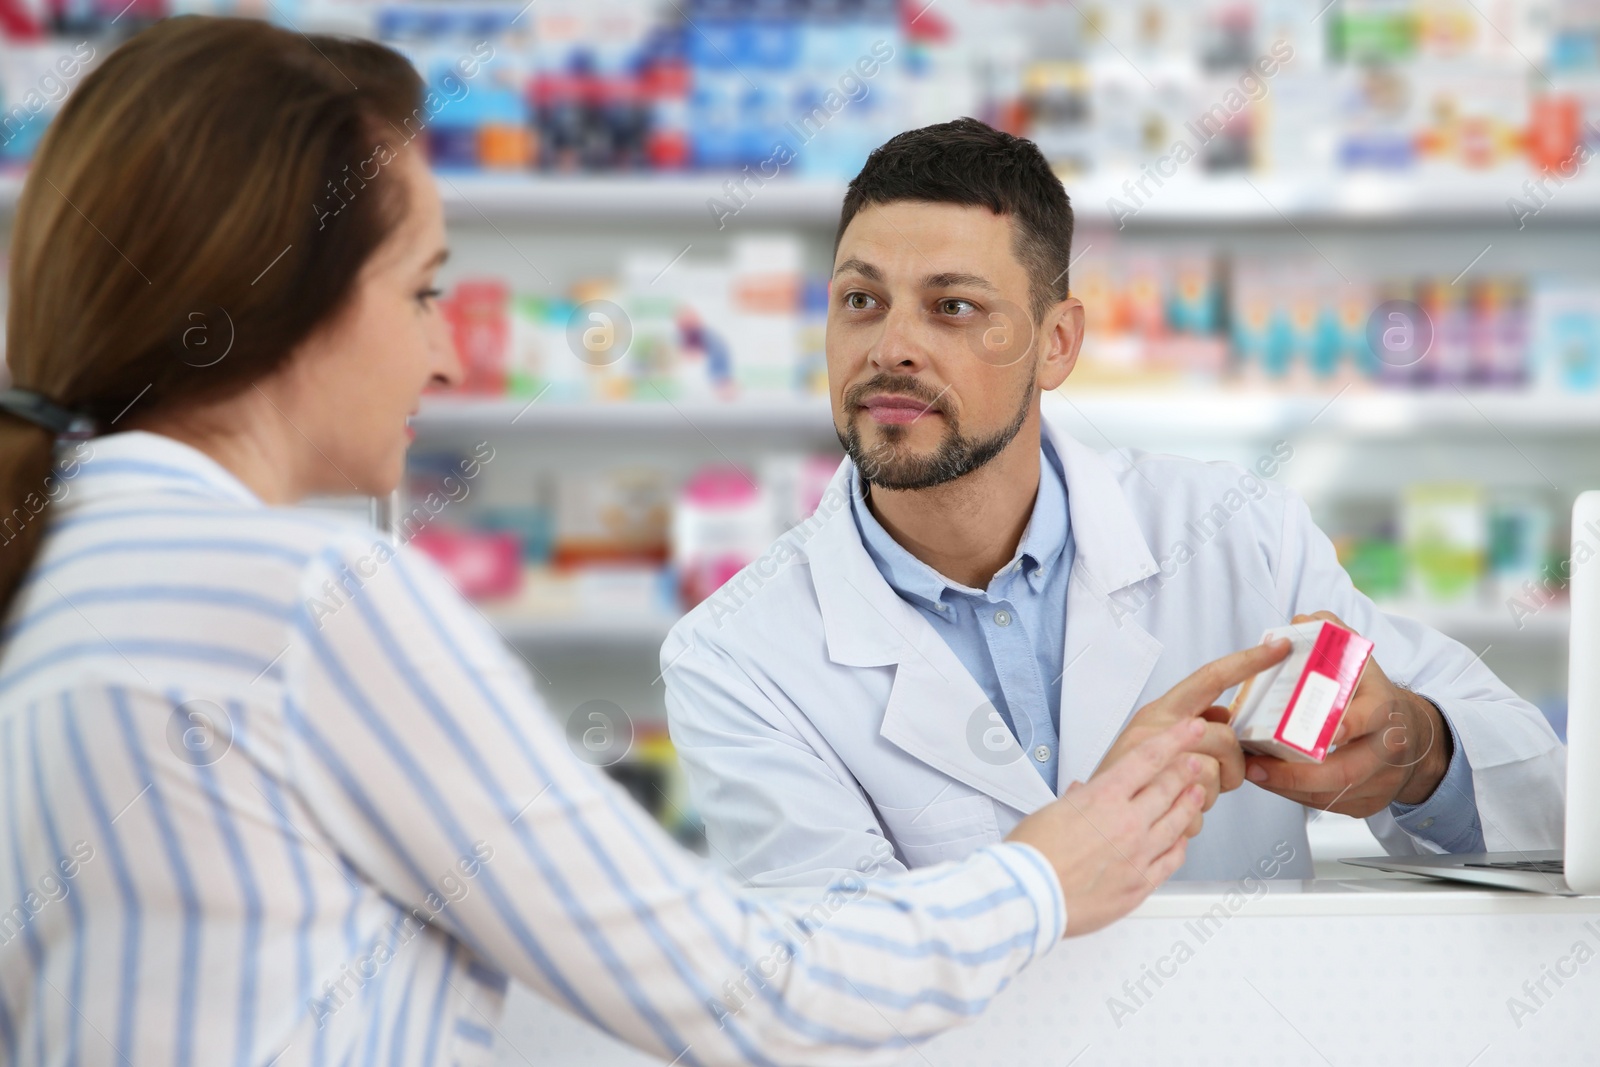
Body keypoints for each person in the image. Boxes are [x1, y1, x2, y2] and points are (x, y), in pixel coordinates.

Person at [0, 18, 1287, 1064]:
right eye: (426, 289)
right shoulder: (297, 604)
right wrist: (1044, 871)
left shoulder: (65, 574)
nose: (448, 354)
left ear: (1056, 339)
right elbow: (736, 984)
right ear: (284, 302)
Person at [662, 118, 1568, 889]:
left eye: (952, 306)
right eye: (861, 299)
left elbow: (1557, 802)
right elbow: (842, 973)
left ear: (1057, 344)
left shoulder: (1238, 533)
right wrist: (1101, 823)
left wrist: (1416, 751)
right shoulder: (737, 653)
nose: (891, 345)